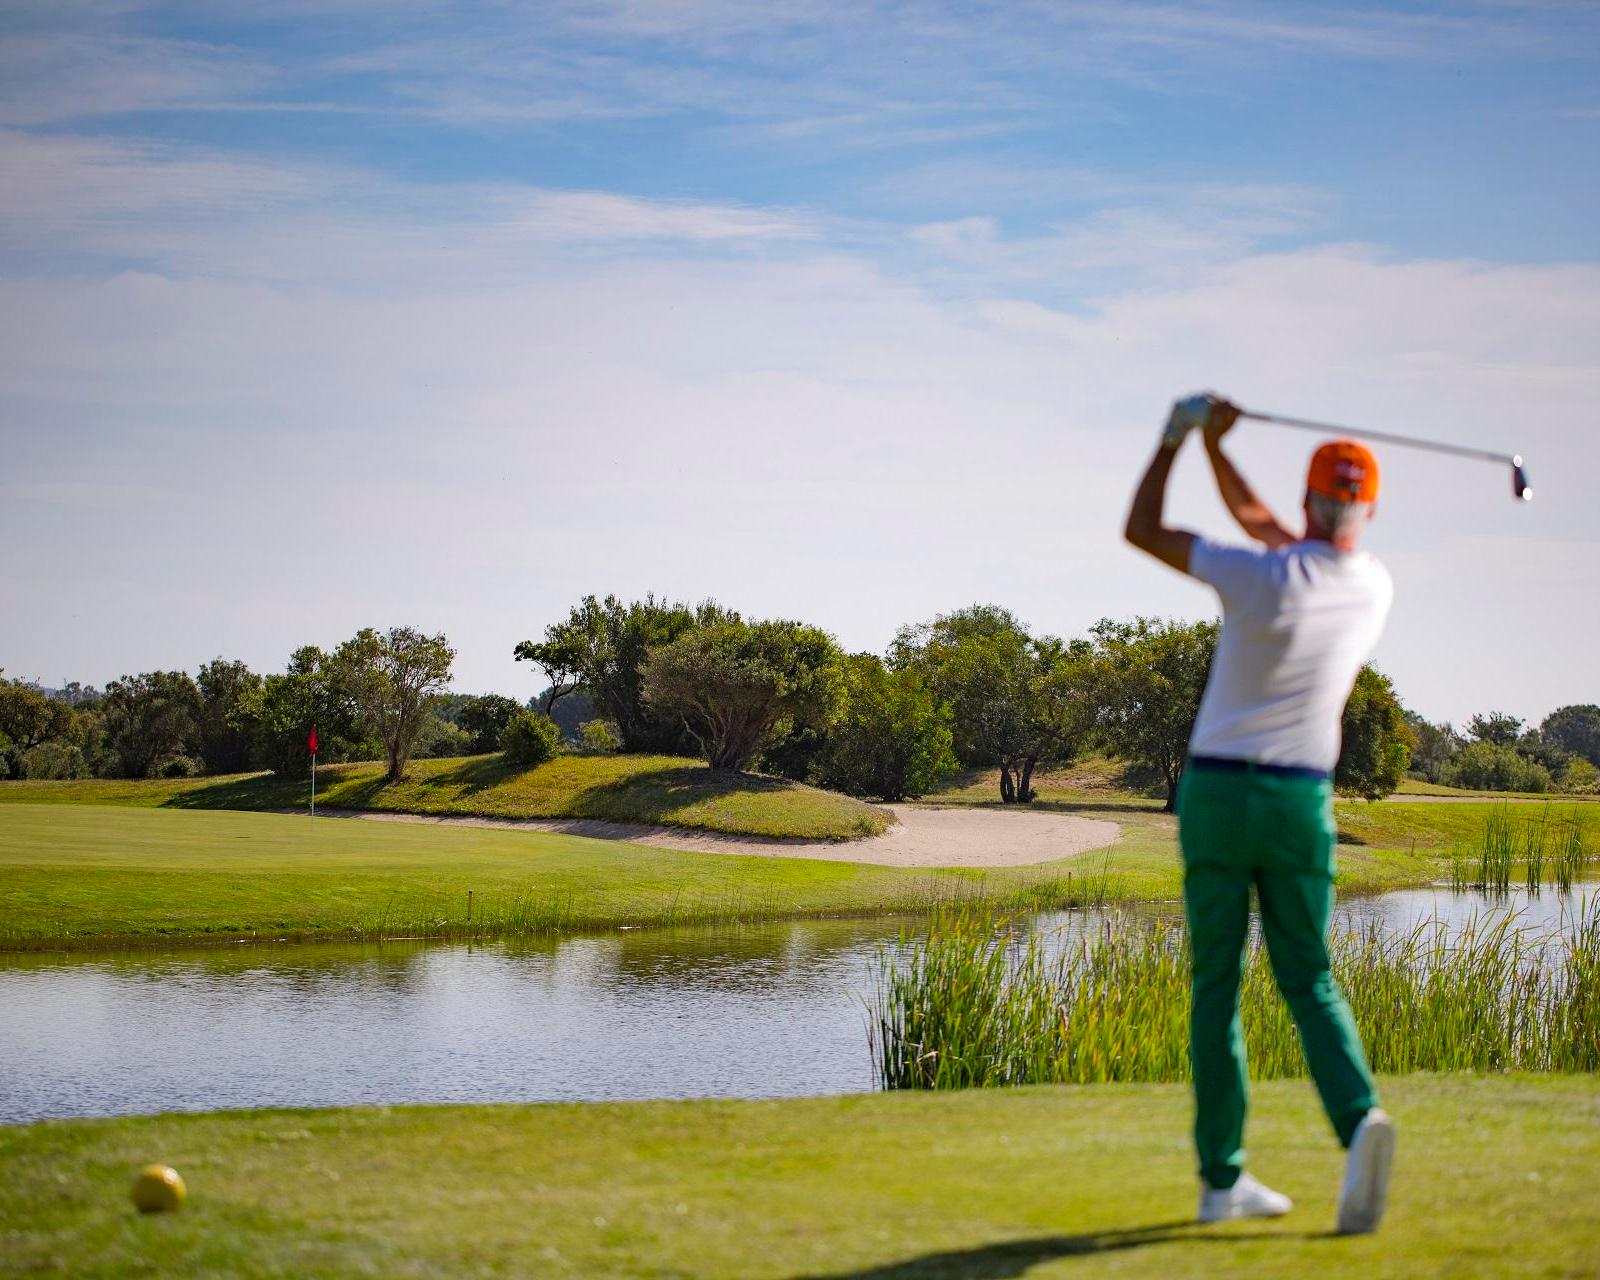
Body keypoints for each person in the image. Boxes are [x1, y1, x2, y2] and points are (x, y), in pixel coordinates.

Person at [1122, 392, 1398, 1236]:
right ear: (1368, 510)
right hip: (1299, 802)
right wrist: (1217, 446)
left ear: (1308, 499)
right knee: (1308, 977)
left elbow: (1144, 528)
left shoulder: (1255, 573)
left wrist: (1181, 437)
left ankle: (1221, 1180)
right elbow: (1271, 524)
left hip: (1214, 793)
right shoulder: (1373, 586)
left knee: (1217, 984)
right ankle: (1359, 1120)